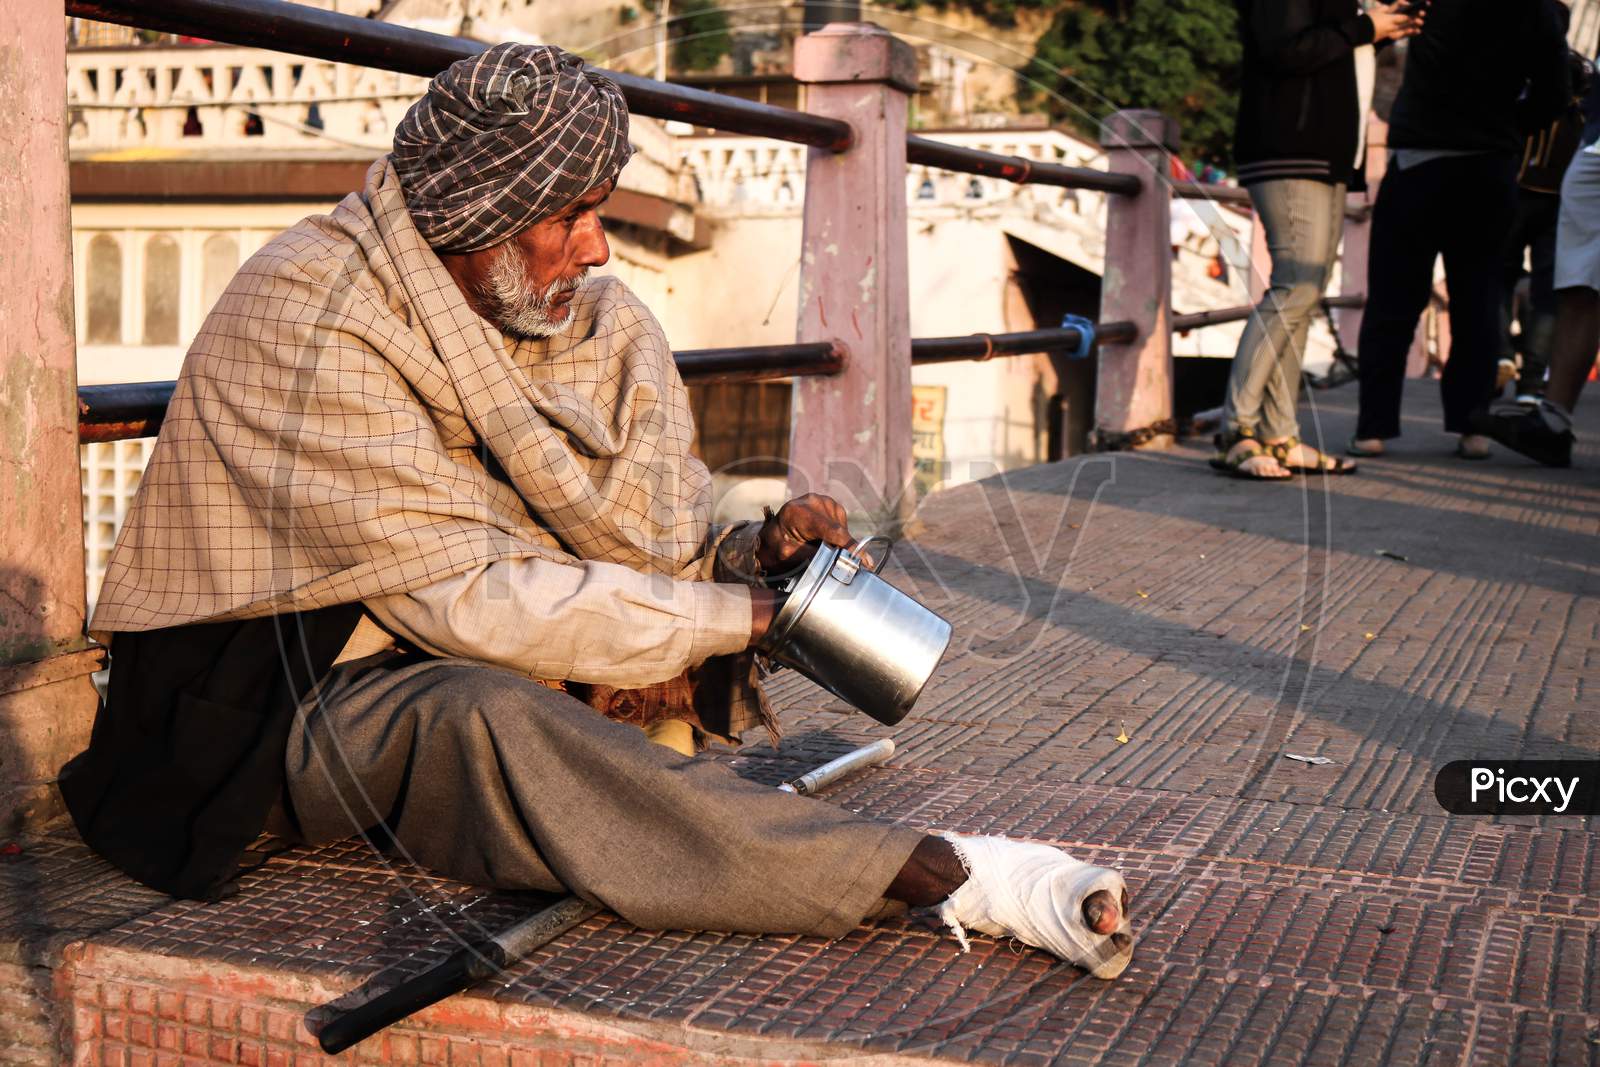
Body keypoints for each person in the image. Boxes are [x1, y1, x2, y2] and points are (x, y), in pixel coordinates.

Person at [56, 45, 1134, 979]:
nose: (598, 247)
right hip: (274, 697)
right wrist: (751, 619)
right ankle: (932, 871)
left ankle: (716, 821)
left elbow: (631, 537)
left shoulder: (584, 324)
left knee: (524, 700)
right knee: (487, 713)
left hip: (469, 652)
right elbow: (471, 604)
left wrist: (749, 555)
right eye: (568, 217)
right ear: (479, 218)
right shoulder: (309, 315)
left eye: (598, 212)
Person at [1348, 0, 1571, 460]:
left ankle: (1373, 427)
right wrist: (1510, 127)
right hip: (1489, 164)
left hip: (1418, 159)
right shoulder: (1538, 10)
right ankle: (1472, 427)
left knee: (1393, 297)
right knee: (1479, 300)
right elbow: (1554, 94)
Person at [1214, 0, 1422, 480]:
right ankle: (1237, 431)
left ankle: (1278, 434)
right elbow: (1283, 49)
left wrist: (1381, 30)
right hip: (1289, 146)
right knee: (1294, 288)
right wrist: (1366, 26)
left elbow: (1331, 47)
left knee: (1305, 295)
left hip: (1325, 152)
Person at [1474, 47, 1600, 466]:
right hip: (1594, 141)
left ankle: (1528, 384)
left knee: (1544, 282)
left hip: (1547, 173)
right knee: (1575, 284)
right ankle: (1551, 423)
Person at [1495, 8, 1589, 402]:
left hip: (1533, 185)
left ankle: (1512, 363)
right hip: (1553, 187)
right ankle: (1523, 374)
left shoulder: (1524, 63)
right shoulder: (1574, 70)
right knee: (1538, 282)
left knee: (1508, 275)